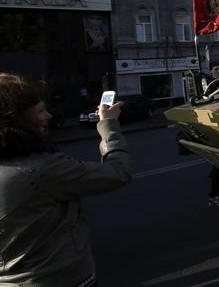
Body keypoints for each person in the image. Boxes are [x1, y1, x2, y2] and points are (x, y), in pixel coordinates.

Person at [0, 72, 131, 286]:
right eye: (40, 110)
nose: (48, 116)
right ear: (16, 119)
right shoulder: (40, 168)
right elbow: (117, 172)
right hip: (56, 279)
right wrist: (109, 127)